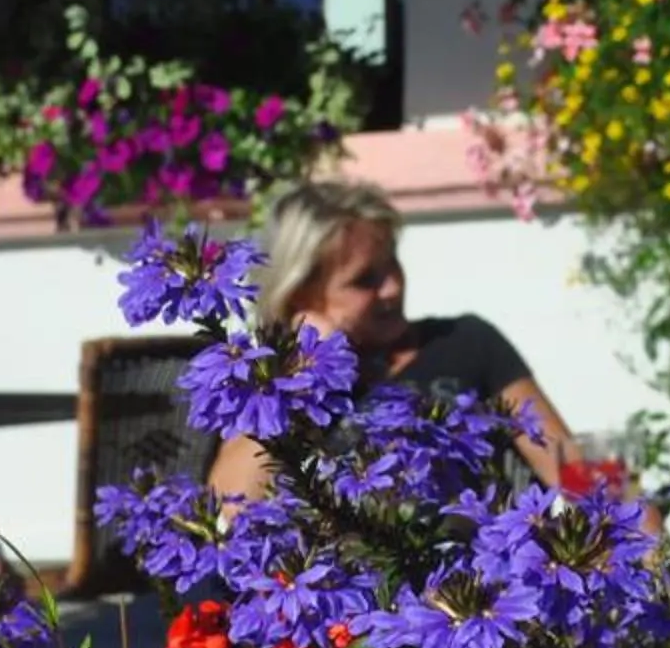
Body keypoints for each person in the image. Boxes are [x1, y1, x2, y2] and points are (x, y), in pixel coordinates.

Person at [207, 180, 584, 499]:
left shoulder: (466, 341)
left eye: (392, 262)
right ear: (301, 294)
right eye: (365, 279)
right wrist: (304, 369)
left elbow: (574, 471)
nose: (392, 287)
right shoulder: (270, 388)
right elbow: (232, 512)